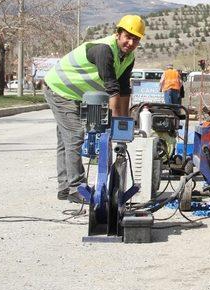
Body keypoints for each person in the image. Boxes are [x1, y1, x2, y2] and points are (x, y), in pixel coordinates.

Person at [44, 14, 145, 203]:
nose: (131, 42)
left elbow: (124, 89)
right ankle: (76, 188)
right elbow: (112, 89)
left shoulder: (128, 58)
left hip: (76, 95)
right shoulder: (104, 50)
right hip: (59, 89)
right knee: (74, 136)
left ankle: (65, 187)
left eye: (136, 39)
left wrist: (124, 123)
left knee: (65, 140)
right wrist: (116, 125)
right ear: (118, 34)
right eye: (128, 37)